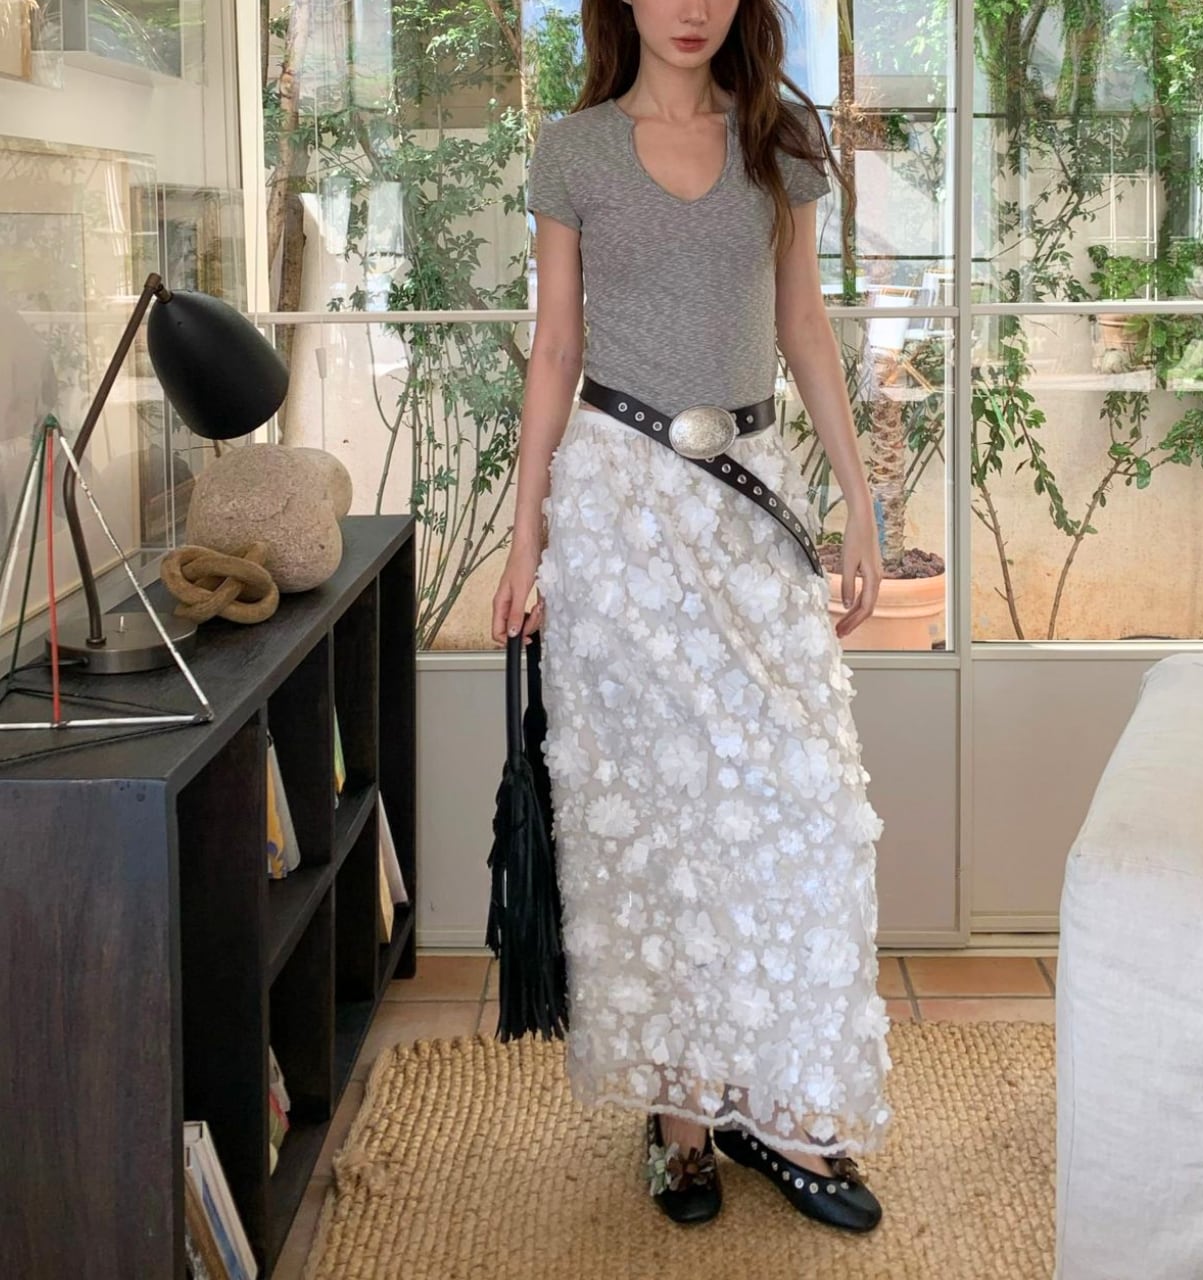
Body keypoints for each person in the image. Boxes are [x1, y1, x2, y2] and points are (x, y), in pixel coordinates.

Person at [491, 0, 892, 1235]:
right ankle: (678, 1115)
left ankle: (786, 1105)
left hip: (748, 502)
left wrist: (859, 502)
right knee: (652, 820)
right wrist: (524, 541)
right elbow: (554, 350)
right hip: (617, 517)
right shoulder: (574, 151)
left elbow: (803, 323)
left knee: (804, 802)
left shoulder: (779, 141)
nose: (687, 8)